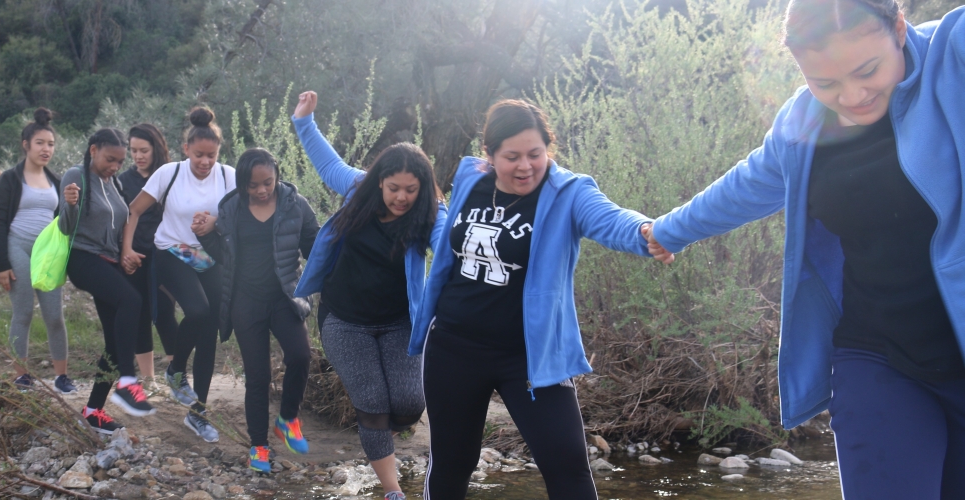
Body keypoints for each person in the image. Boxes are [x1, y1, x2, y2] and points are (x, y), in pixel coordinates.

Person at [642, 2, 965, 498]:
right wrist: (669, 230)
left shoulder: (955, 55)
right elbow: (746, 184)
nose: (852, 96)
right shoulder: (803, 125)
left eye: (867, 71)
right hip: (879, 356)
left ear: (899, 28)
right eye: (825, 83)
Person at [412, 99, 671, 499]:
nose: (525, 166)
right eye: (511, 156)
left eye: (536, 154)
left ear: (548, 149)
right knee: (452, 462)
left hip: (530, 355)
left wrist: (647, 231)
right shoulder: (469, 178)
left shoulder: (569, 192)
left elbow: (610, 219)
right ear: (490, 155)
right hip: (453, 346)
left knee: (567, 466)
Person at [291, 91, 445, 500]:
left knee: (410, 404)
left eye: (410, 190)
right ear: (379, 181)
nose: (400, 197)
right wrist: (304, 121)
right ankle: (393, 491)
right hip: (344, 319)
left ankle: (378, 430)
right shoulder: (359, 190)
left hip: (398, 322)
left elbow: (452, 239)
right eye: (393, 188)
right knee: (373, 401)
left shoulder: (431, 214)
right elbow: (327, 163)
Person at [194, 148, 319, 472]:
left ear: (277, 175)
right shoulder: (231, 209)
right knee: (258, 376)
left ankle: (288, 420)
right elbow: (224, 256)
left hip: (284, 297)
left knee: (300, 356)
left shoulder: (295, 204)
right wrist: (204, 236)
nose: (262, 190)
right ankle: (258, 446)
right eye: (253, 185)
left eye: (268, 182)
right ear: (242, 184)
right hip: (245, 301)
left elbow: (314, 247)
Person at [122, 106, 235, 443]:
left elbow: (239, 217)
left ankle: (198, 414)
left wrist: (214, 224)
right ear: (186, 150)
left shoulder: (229, 176)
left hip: (210, 256)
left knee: (210, 332)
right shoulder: (169, 173)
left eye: (211, 155)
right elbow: (134, 210)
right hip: (171, 252)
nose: (205, 162)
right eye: (199, 155)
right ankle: (175, 370)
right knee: (198, 311)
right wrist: (127, 249)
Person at [61, 128, 155, 434]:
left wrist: (125, 253)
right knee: (132, 300)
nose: (115, 166)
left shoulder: (112, 182)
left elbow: (122, 220)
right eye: (109, 159)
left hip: (109, 261)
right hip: (83, 258)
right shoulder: (76, 175)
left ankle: (93, 411)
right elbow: (66, 227)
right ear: (93, 151)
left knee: (116, 342)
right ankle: (127, 381)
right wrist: (70, 204)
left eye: (119, 161)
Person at [0, 108, 75, 393]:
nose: (46, 149)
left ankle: (62, 377)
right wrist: (1, 265)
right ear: (26, 145)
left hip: (47, 254)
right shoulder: (11, 179)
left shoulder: (57, 181)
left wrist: (73, 203)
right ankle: (21, 375)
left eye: (50, 144)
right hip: (16, 247)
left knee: (54, 316)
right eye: (40, 143)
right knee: (22, 313)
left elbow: (66, 221)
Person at [117, 123, 178, 394]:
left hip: (165, 253)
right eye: (133, 151)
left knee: (164, 312)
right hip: (135, 255)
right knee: (139, 313)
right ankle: (149, 380)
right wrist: (124, 251)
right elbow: (122, 218)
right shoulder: (124, 180)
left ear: (157, 148)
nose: (138, 156)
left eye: (144, 150)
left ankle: (177, 376)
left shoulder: (171, 175)